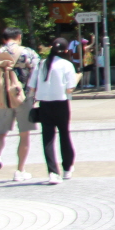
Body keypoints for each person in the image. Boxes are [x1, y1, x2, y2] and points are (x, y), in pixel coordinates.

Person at [0, 26, 39, 183]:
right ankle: (20, 170)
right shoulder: (27, 52)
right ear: (19, 37)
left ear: (3, 39)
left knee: (0, 133)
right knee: (24, 134)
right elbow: (36, 72)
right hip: (22, 96)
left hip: (3, 97)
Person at [31, 37, 81, 185]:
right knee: (64, 134)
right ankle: (67, 167)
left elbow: (32, 86)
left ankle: (53, 172)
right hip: (61, 103)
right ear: (66, 51)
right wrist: (78, 77)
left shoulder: (41, 64)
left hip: (44, 104)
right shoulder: (66, 65)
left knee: (47, 138)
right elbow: (70, 89)